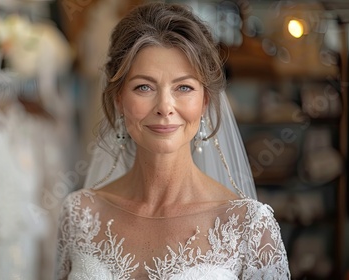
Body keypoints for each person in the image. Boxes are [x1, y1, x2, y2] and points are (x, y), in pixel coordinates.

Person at [55, 2, 290, 279]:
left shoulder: (249, 227)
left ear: (205, 101)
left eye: (184, 87)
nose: (165, 107)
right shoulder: (79, 213)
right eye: (144, 86)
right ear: (118, 98)